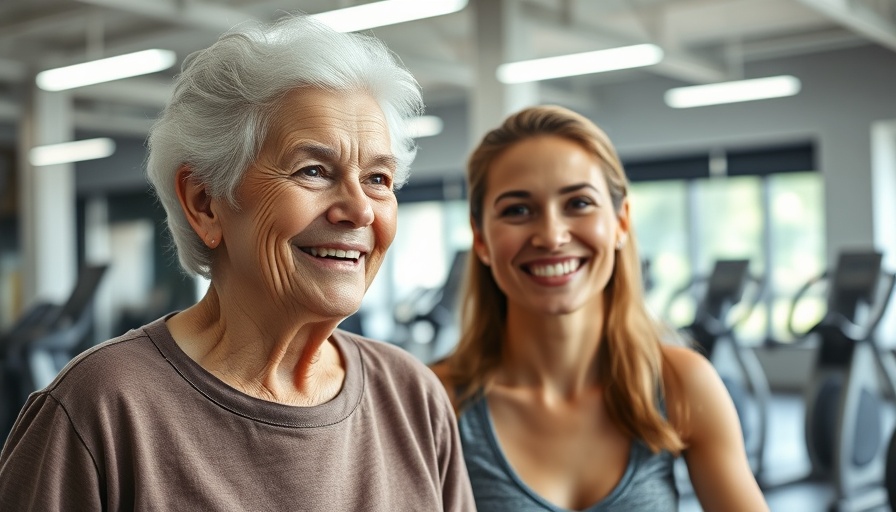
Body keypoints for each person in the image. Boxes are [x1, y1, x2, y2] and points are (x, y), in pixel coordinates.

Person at [0, 14, 475, 511]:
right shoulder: (100, 409)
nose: (359, 210)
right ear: (205, 202)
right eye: (313, 171)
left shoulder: (412, 397)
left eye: (378, 179)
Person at [432, 105, 769, 511]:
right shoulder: (437, 401)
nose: (552, 236)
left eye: (578, 203)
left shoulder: (681, 383)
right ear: (481, 239)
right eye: (518, 210)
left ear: (621, 222)